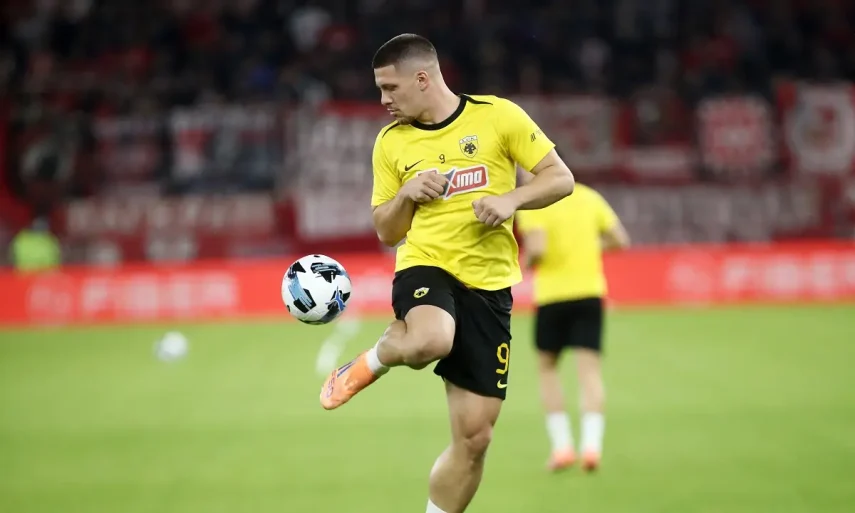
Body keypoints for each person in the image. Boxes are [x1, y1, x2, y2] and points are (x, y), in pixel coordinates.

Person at [319, 34, 575, 513]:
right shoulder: (391, 142)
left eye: (390, 88)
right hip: (426, 265)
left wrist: (512, 200)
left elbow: (561, 178)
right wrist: (406, 194)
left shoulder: (498, 116)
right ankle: (376, 358)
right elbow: (386, 230)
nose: (383, 100)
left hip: (490, 285)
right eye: (380, 89)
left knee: (475, 439)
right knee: (429, 341)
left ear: (422, 78)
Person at [515, 174, 630, 473]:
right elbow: (620, 240)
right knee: (589, 372)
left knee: (548, 369)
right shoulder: (589, 197)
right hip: (589, 293)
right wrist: (587, 247)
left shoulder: (534, 202)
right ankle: (591, 447)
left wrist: (525, 264)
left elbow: (537, 248)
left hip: (553, 296)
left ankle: (562, 446)